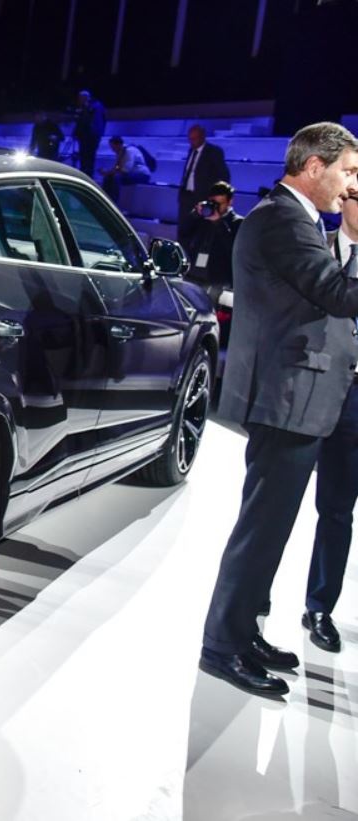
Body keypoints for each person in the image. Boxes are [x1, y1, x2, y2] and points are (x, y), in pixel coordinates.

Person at [201, 122, 358, 698]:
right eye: (347, 171)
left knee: (268, 530)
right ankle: (222, 647)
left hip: (294, 396)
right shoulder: (284, 220)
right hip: (287, 397)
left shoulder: (291, 218)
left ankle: (242, 633)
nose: (351, 185)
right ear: (314, 166)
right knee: (261, 530)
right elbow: (338, 295)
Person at [304, 191, 358, 653]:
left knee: (338, 509)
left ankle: (319, 607)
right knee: (277, 504)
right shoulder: (312, 249)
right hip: (308, 391)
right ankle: (253, 600)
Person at [184, 181, 242, 304]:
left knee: (210, 311)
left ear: (230, 202)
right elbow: (184, 233)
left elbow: (233, 249)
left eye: (219, 204)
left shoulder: (238, 222)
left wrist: (218, 222)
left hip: (217, 280)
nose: (216, 207)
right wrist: (195, 214)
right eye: (213, 203)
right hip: (194, 273)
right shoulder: (203, 217)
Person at [177, 124, 231, 246]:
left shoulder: (213, 152)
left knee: (199, 233)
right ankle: (182, 254)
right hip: (186, 198)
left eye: (194, 139)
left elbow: (224, 176)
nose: (192, 142)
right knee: (183, 231)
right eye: (190, 139)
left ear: (202, 137)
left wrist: (215, 198)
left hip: (202, 198)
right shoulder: (191, 151)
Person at [99, 135, 151, 202]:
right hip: (131, 174)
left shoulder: (129, 151)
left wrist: (110, 172)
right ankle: (104, 200)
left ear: (118, 145)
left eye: (113, 147)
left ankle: (114, 202)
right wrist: (108, 173)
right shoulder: (120, 153)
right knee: (108, 178)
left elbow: (126, 170)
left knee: (116, 177)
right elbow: (117, 167)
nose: (112, 150)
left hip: (142, 175)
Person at [71, 89, 105, 176]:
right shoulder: (86, 107)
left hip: (91, 135)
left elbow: (88, 119)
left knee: (89, 155)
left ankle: (88, 174)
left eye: (80, 98)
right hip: (85, 135)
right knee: (84, 155)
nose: (79, 100)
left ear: (85, 97)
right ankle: (84, 172)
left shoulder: (94, 106)